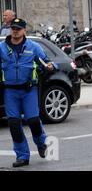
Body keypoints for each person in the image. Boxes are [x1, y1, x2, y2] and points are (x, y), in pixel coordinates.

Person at [0, 18, 54, 167]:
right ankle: (22, 156)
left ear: (24, 30)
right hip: (10, 91)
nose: (15, 31)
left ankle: (41, 143)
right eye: (13, 28)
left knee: (33, 120)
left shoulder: (34, 47)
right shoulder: (2, 48)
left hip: (29, 89)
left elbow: (46, 61)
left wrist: (50, 66)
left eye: (18, 28)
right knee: (14, 124)